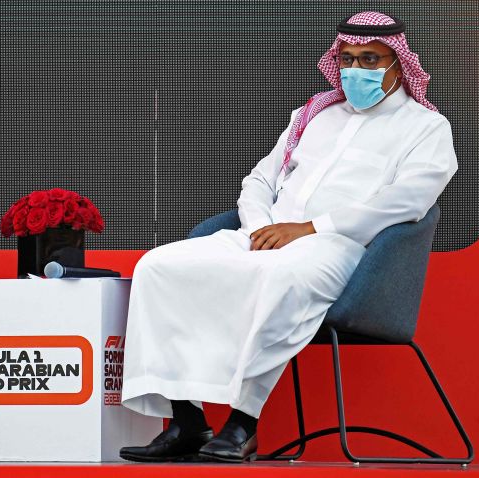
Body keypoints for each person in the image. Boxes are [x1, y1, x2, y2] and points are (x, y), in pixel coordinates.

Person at [119, 11, 457, 463]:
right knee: (158, 267)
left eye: (370, 59)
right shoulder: (314, 115)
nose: (356, 70)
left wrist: (312, 228)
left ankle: (244, 422)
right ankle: (187, 420)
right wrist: (259, 225)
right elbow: (259, 180)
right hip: (266, 233)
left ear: (398, 63)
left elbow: (408, 201)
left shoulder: (425, 128)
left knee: (284, 278)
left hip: (342, 248)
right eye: (348, 59)